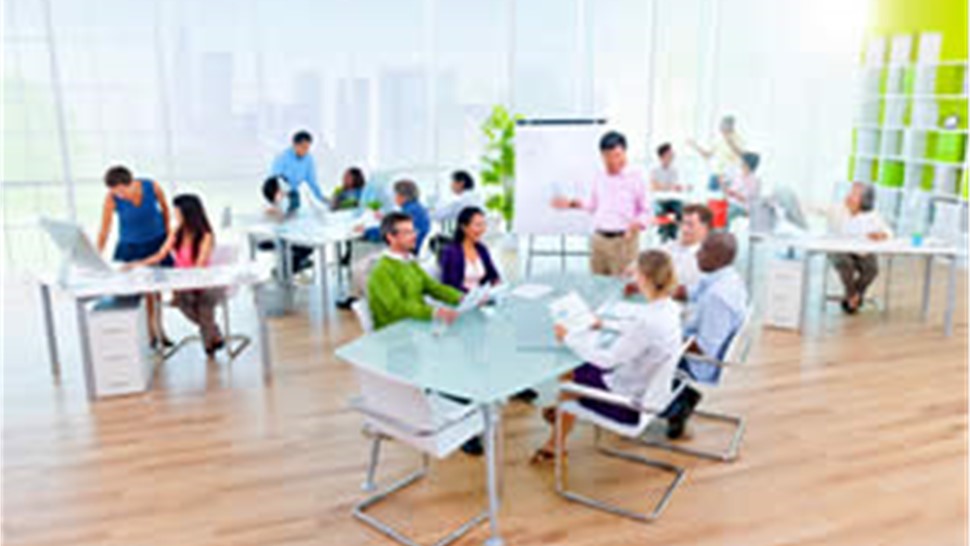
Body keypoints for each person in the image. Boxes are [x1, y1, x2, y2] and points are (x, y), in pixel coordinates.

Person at [530, 250, 682, 463]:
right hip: (649, 391)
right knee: (576, 370)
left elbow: (606, 359)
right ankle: (561, 414)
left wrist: (568, 337)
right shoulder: (669, 308)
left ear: (645, 278)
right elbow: (637, 330)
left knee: (570, 378)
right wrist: (604, 324)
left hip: (629, 405)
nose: (633, 276)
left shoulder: (647, 321)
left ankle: (556, 442)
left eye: (636, 272)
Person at [668, 232, 748, 439]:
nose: (697, 255)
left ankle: (676, 406)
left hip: (698, 364)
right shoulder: (726, 277)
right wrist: (656, 286)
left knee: (638, 354)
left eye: (703, 251)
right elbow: (692, 292)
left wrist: (666, 338)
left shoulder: (717, 298)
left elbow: (704, 349)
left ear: (718, 258)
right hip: (691, 342)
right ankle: (679, 398)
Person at [124, 194, 225, 356]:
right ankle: (214, 334)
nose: (174, 215)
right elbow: (160, 255)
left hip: (205, 283)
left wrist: (183, 279)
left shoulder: (206, 235)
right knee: (185, 306)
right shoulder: (176, 233)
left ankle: (209, 345)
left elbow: (199, 265)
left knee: (204, 306)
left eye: (177, 211)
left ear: (187, 213)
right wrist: (136, 264)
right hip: (183, 285)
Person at [551, 131, 652, 276]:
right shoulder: (600, 176)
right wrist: (572, 204)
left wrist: (636, 224)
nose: (612, 162)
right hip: (599, 241)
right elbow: (594, 205)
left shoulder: (637, 177)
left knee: (621, 285)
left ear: (625, 153)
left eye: (616, 156)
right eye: (607, 157)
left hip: (623, 241)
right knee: (596, 284)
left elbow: (646, 211)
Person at [96, 165, 172, 349]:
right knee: (141, 292)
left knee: (156, 290)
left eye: (120, 190)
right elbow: (105, 229)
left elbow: (165, 210)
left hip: (156, 243)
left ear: (130, 183)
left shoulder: (152, 187)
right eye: (114, 191)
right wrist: (96, 255)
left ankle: (159, 329)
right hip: (131, 248)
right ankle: (149, 332)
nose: (118, 194)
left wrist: (169, 236)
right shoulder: (111, 198)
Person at [366, 212, 463, 331]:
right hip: (396, 333)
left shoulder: (409, 262)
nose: (414, 236)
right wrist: (434, 312)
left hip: (417, 326)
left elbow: (433, 287)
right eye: (407, 233)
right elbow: (398, 308)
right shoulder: (381, 271)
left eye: (413, 231)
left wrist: (460, 297)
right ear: (390, 237)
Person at [827, 183, 892, 314]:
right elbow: (822, 210)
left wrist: (882, 235)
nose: (850, 196)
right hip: (839, 250)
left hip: (861, 252)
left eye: (855, 195)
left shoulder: (872, 215)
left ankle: (854, 296)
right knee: (846, 264)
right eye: (851, 192)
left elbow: (888, 231)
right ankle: (853, 296)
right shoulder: (838, 210)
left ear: (864, 200)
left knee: (872, 269)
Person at [438, 207, 501, 292]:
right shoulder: (451, 252)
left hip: (482, 297)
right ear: (464, 227)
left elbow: (493, 275)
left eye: (484, 225)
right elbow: (451, 285)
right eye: (478, 225)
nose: (483, 229)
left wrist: (496, 283)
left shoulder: (482, 249)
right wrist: (474, 295)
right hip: (461, 298)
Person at [260, 176, 313, 275]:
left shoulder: (291, 199)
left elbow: (289, 211)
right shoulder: (273, 206)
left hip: (296, 239)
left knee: (303, 247)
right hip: (281, 239)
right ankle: (291, 266)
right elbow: (277, 217)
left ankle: (296, 265)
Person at [269, 130, 326, 206]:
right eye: (303, 147)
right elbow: (274, 178)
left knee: (295, 205)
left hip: (292, 192)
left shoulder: (308, 159)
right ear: (295, 145)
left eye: (307, 148)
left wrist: (321, 198)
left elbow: (312, 182)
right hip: (275, 190)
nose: (305, 151)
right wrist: (279, 196)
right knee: (281, 205)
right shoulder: (282, 157)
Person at [689, 115, 745, 191]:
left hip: (729, 175)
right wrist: (695, 146)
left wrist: (730, 143)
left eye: (724, 127)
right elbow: (707, 155)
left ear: (730, 127)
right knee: (710, 194)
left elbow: (741, 155)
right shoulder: (718, 139)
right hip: (716, 174)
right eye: (721, 127)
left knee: (726, 196)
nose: (721, 129)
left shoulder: (738, 139)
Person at [651, 143, 686, 242]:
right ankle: (664, 236)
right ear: (662, 155)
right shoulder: (655, 169)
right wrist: (669, 187)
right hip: (659, 200)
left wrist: (667, 187)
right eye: (669, 153)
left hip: (673, 199)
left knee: (680, 213)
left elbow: (674, 186)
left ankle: (672, 237)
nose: (672, 155)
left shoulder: (674, 169)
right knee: (663, 216)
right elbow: (654, 187)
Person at [722, 152, 761, 224]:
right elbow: (732, 190)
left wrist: (737, 195)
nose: (741, 166)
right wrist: (727, 190)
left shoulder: (753, 181)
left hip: (743, 208)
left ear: (750, 166)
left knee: (726, 216)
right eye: (742, 164)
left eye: (744, 164)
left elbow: (748, 198)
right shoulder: (739, 176)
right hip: (733, 203)